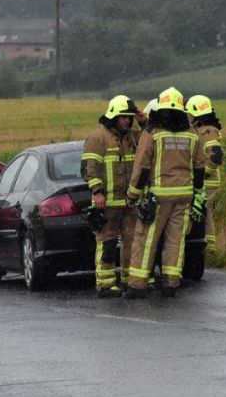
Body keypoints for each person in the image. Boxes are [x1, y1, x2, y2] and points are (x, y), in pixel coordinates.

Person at [124, 87, 206, 298]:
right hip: (184, 195)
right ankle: (171, 283)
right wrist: (196, 191)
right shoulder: (192, 134)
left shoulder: (152, 133)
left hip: (158, 195)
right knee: (175, 240)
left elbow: (141, 166)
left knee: (145, 238)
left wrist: (132, 195)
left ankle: (137, 285)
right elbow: (199, 166)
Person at [81, 95, 140, 298]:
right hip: (106, 203)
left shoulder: (132, 136)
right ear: (113, 116)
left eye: (129, 117)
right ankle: (105, 284)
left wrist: (140, 116)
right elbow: (89, 169)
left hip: (129, 202)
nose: (127, 121)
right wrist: (97, 192)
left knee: (131, 241)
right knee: (106, 242)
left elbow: (151, 135)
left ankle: (128, 281)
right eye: (123, 117)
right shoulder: (97, 138)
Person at [186, 95, 224, 249]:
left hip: (207, 181)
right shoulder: (202, 129)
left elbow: (216, 155)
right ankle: (209, 247)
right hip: (205, 180)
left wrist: (202, 174)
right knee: (204, 212)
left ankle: (208, 247)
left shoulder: (208, 132)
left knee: (203, 212)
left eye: (189, 113)